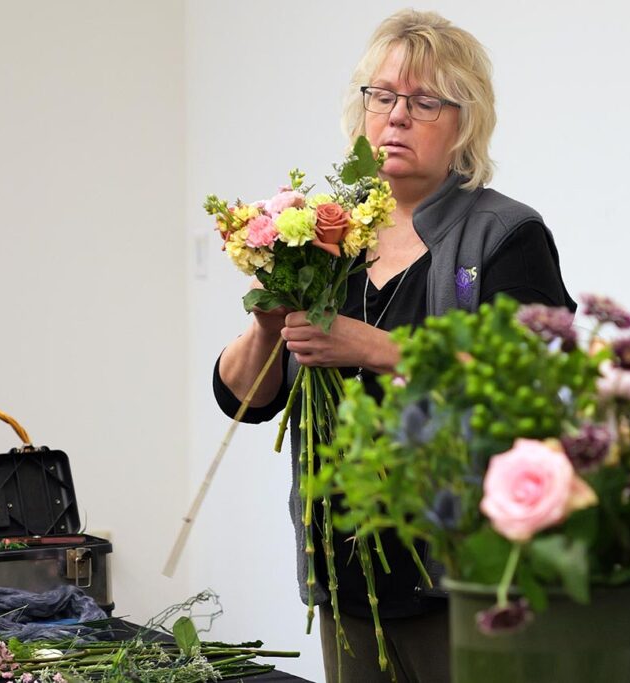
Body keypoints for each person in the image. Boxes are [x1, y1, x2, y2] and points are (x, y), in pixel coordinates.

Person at [213, 10, 576, 683]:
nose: (397, 117)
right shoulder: (325, 234)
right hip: (345, 580)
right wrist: (267, 323)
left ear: (464, 122)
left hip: (462, 581)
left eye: (423, 101)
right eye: (382, 97)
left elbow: (533, 393)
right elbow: (246, 399)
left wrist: (378, 347)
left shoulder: (506, 235)